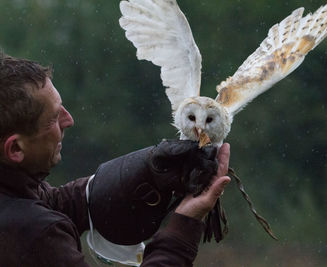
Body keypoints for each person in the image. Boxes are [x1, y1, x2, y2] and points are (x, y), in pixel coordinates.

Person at [0, 52, 231, 266]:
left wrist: (147, 168)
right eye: (53, 117)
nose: (68, 120)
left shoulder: (14, 198)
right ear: (16, 148)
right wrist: (183, 227)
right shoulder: (37, 236)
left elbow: (52, 203)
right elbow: (36, 218)